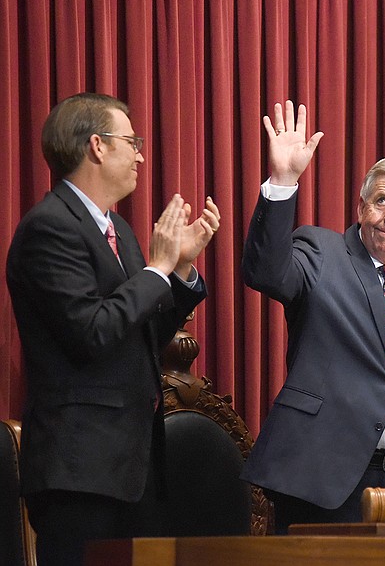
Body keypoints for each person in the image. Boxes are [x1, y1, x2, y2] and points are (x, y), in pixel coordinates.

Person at [6, 92, 221, 565]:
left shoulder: (117, 230)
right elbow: (92, 332)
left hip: (132, 464)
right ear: (97, 146)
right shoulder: (50, 228)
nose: (141, 154)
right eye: (132, 141)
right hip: (79, 468)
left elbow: (141, 333)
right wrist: (157, 268)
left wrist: (180, 270)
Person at [240, 100, 385, 532]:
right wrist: (283, 181)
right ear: (361, 206)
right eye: (381, 201)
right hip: (320, 472)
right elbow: (265, 272)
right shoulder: (322, 251)